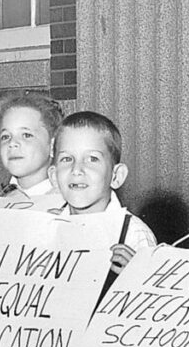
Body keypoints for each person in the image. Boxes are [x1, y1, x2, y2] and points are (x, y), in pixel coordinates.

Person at [49, 111, 156, 273]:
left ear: (116, 176)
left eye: (92, 159)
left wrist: (135, 277)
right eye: (67, 159)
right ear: (54, 177)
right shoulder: (43, 229)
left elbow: (148, 294)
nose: (76, 170)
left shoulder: (135, 235)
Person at [0, 91, 64, 204]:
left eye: (26, 135)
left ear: (53, 146)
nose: (12, 143)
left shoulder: (67, 203)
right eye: (6, 136)